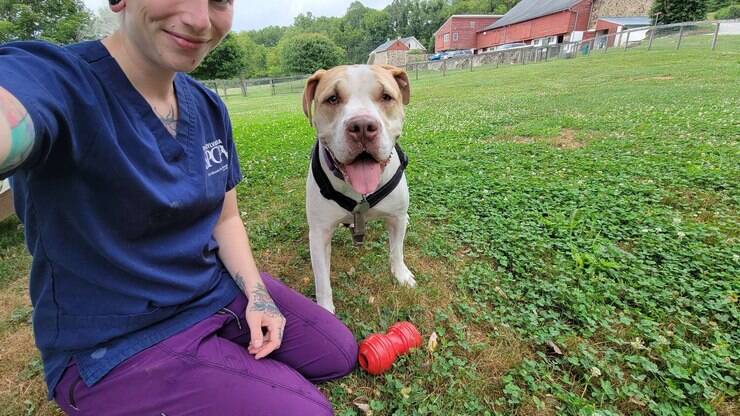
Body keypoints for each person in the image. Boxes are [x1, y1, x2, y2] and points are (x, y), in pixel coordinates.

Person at [0, 0, 358, 414]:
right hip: (118, 341)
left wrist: (257, 295)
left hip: (211, 291)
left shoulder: (206, 107)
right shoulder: (59, 79)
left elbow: (226, 218)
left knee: (339, 351)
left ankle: (218, 354)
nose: (199, 19)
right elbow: (15, 110)